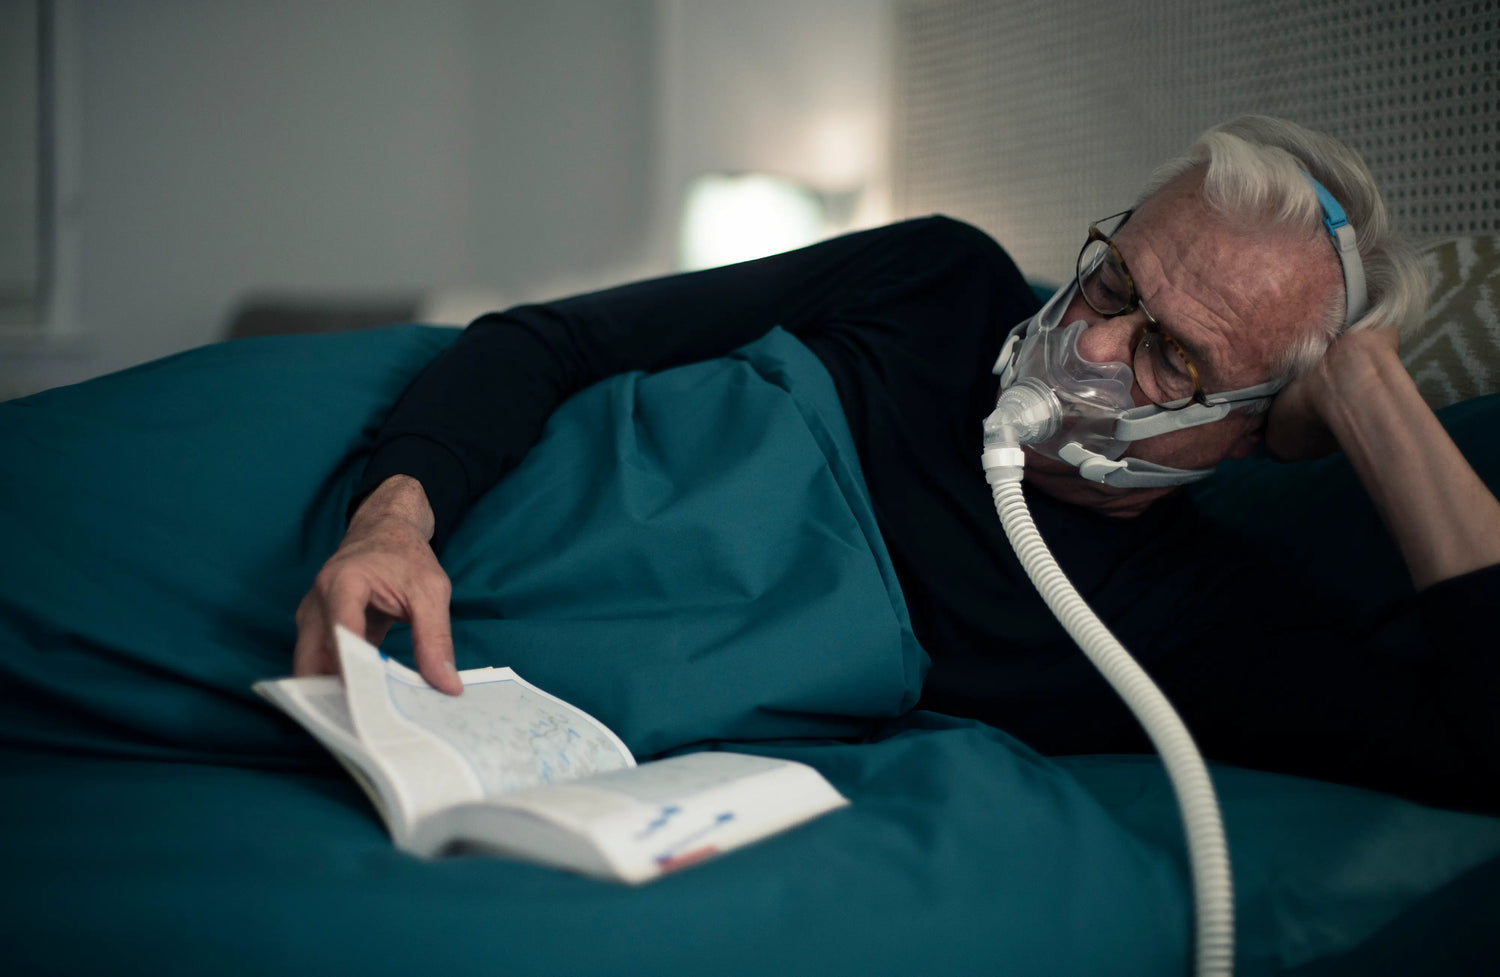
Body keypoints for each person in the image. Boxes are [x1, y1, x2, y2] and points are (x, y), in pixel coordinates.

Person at [293, 115, 1500, 810]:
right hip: (415, 496)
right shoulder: (938, 280)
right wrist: (394, 515)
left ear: (1251, 429)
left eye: (1171, 360)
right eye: (1115, 277)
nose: (1087, 340)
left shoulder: (1180, 619)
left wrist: (1374, 399)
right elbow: (552, 340)